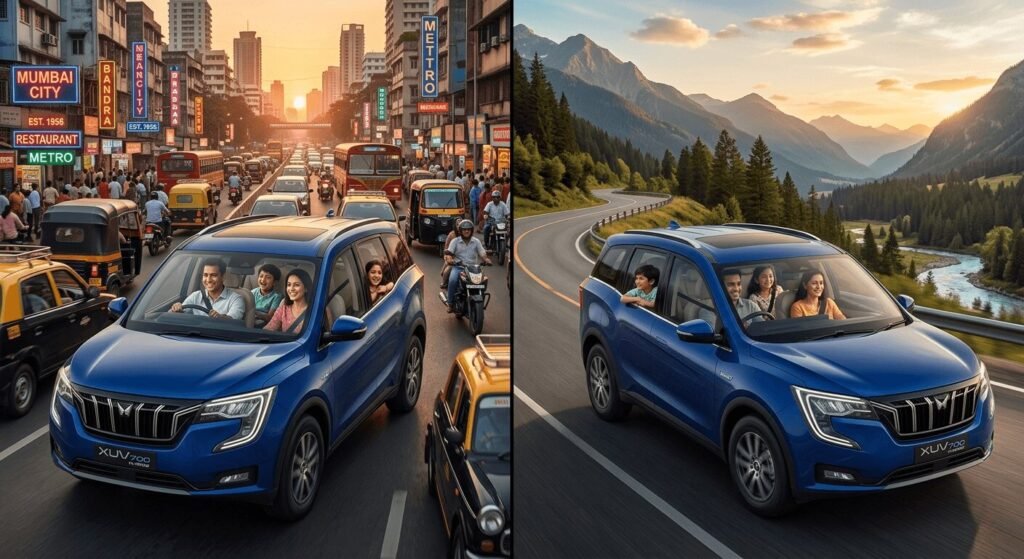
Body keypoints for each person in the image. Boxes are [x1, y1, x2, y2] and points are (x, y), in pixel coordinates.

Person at [170, 258, 245, 319]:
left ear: (223, 277)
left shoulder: (235, 299)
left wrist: (221, 318)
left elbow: (233, 321)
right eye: (205, 275)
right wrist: (176, 309)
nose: (208, 280)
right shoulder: (195, 296)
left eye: (213, 275)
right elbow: (176, 316)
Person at [444, 219, 491, 312]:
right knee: (452, 280)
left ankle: (479, 299)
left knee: (482, 281)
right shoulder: (455, 241)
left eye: (468, 229)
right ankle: (450, 303)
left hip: (473, 268)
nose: (466, 231)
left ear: (472, 230)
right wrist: (450, 259)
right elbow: (449, 253)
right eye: (464, 229)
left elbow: (482, 253)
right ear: (460, 231)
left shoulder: (476, 241)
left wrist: (486, 259)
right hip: (458, 267)